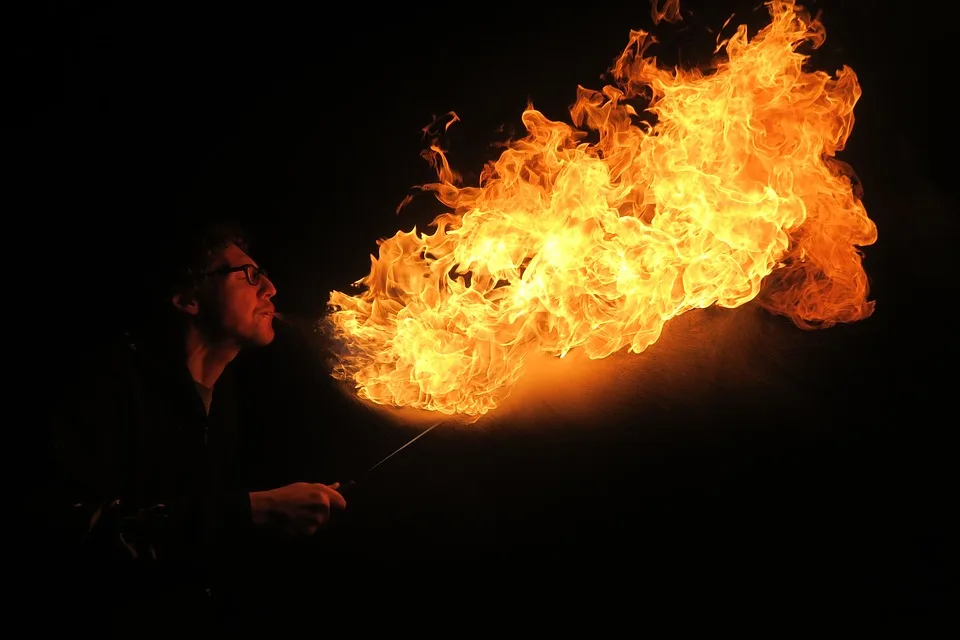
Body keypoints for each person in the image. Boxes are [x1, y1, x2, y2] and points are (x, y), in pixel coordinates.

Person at [40, 221, 348, 629]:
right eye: (250, 275)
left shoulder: (226, 401)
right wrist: (250, 512)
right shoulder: (105, 384)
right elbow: (65, 542)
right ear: (188, 299)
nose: (270, 289)